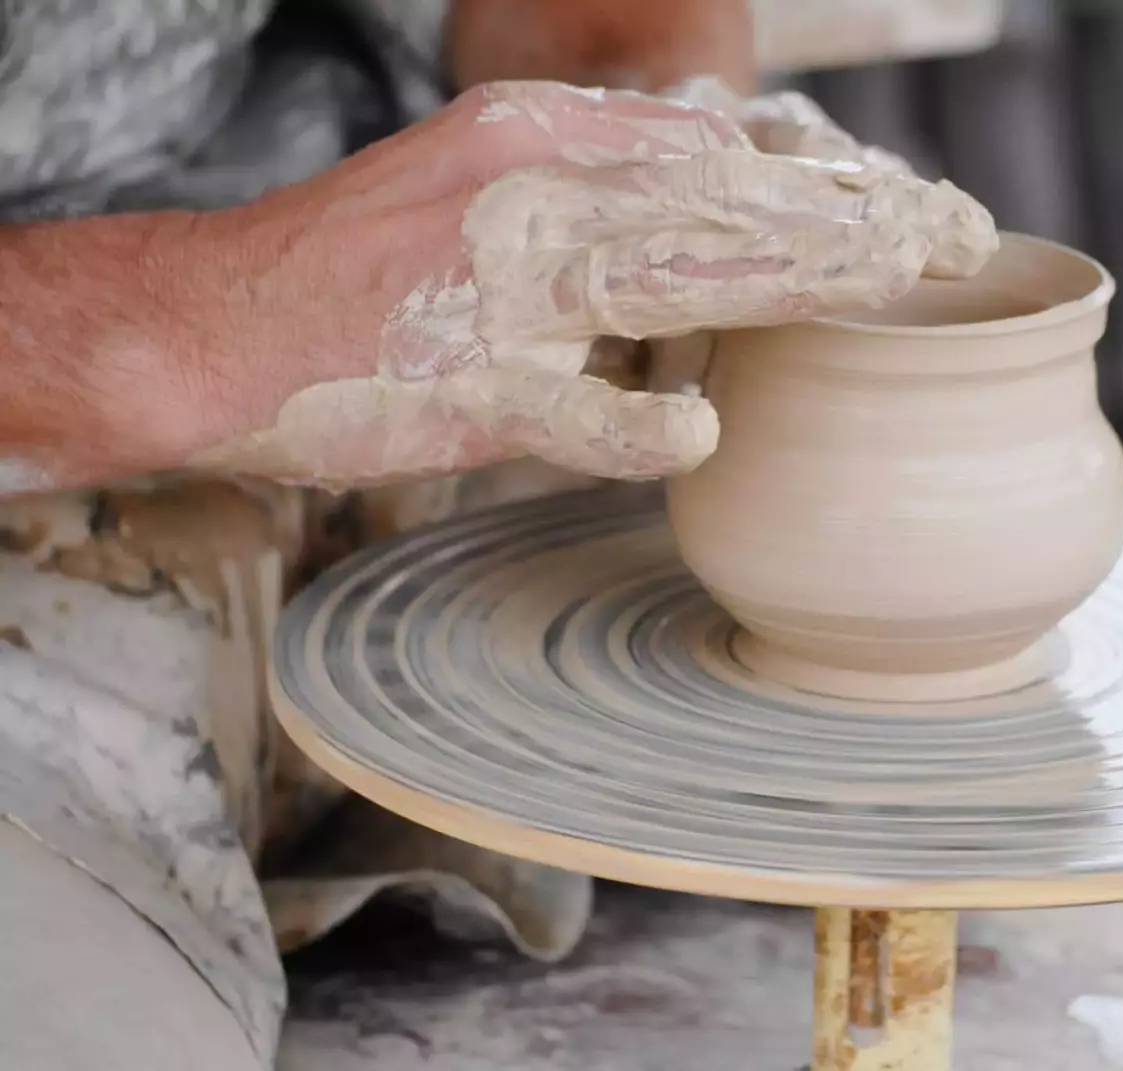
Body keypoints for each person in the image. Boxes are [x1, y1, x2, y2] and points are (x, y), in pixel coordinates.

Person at [0, 3, 997, 1068]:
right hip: (58, 450)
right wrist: (191, 330)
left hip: (403, 300)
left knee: (921, 736)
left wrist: (652, 129)